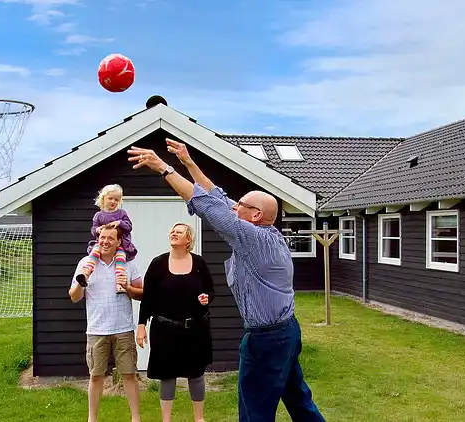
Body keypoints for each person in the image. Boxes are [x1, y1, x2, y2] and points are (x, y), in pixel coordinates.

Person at [127, 139, 326, 422]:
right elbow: (218, 197)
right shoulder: (263, 231)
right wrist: (189, 162)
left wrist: (163, 167)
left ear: (255, 215)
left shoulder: (253, 239)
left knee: (254, 410)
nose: (235, 206)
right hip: (285, 333)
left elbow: (209, 207)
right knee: (297, 398)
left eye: (241, 205)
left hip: (267, 339)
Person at [136, 222, 215, 422]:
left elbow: (210, 291)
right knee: (167, 375)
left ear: (188, 239)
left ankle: (199, 418)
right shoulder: (158, 264)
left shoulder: (199, 264)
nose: (173, 233)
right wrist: (141, 325)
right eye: (172, 230)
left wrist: (206, 297)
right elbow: (148, 299)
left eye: (179, 231)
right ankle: (166, 419)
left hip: (195, 329)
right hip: (165, 330)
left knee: (196, 374)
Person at [68, 224, 144, 422]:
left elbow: (142, 294)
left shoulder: (128, 264)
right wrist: (82, 281)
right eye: (102, 237)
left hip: (123, 329)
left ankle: (136, 419)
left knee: (129, 375)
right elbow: (74, 297)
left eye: (110, 238)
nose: (105, 242)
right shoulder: (86, 263)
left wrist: (127, 287)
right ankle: (92, 419)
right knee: (95, 377)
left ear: (119, 241)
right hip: (96, 330)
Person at [76, 184, 138, 294]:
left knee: (121, 259)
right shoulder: (99, 215)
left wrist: (119, 223)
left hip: (119, 244)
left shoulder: (121, 213)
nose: (113, 201)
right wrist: (98, 230)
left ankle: (119, 284)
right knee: (94, 254)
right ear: (103, 198)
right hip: (101, 243)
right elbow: (93, 229)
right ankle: (85, 274)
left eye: (116, 200)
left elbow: (129, 226)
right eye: (110, 198)